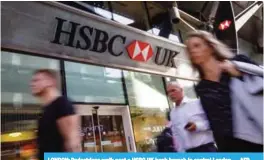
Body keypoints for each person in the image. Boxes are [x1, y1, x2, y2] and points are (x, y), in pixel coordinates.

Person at [185, 30, 263, 152]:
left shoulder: (239, 62)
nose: (193, 51)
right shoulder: (202, 87)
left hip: (256, 138)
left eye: (197, 45)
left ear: (211, 47)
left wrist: (239, 74)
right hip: (228, 147)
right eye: (189, 49)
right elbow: (214, 121)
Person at [30, 69, 81, 160]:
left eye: (37, 80)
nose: (32, 84)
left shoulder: (61, 104)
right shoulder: (46, 110)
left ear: (50, 82)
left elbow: (72, 145)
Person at [167, 82, 217, 152]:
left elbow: (214, 122)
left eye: (173, 90)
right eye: (168, 92)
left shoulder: (197, 103)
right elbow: (176, 135)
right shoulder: (173, 113)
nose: (170, 94)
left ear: (181, 90)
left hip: (206, 149)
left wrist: (197, 126)